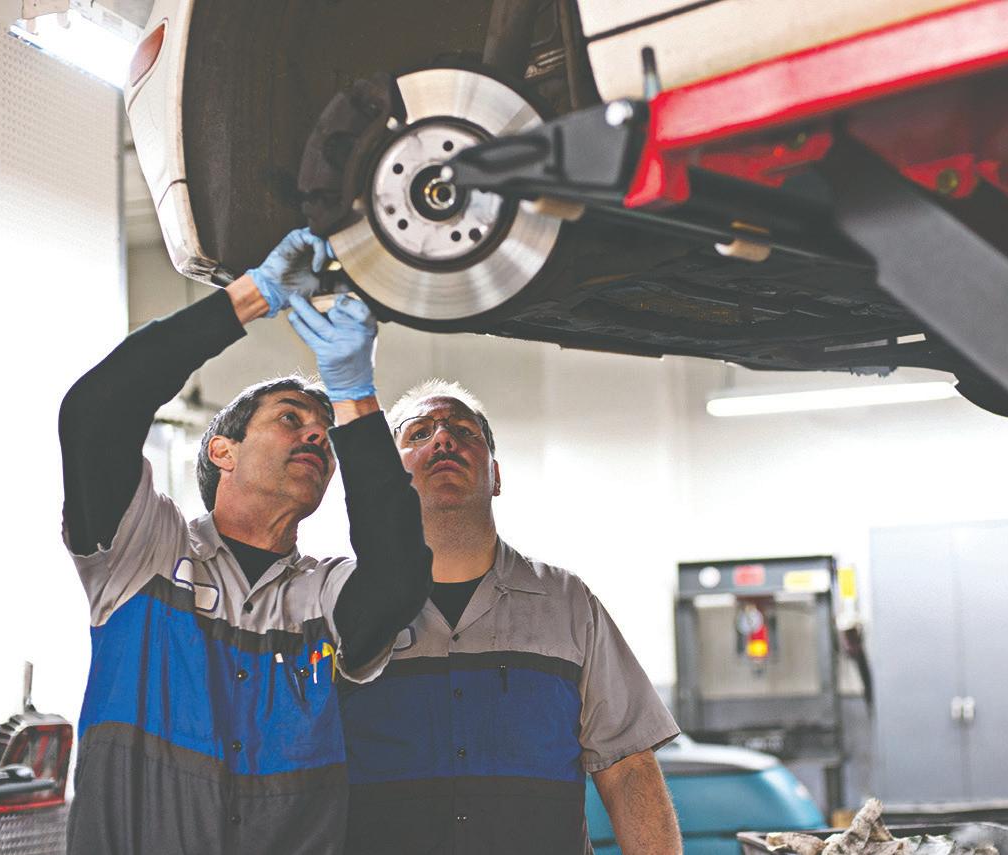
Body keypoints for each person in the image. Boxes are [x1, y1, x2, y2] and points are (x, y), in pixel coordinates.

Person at [58, 229, 433, 854]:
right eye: (290, 418)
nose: (317, 437)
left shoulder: (322, 595)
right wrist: (251, 295)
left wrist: (355, 396)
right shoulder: (142, 552)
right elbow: (95, 412)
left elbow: (398, 577)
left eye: (327, 433)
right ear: (222, 451)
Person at [339, 379, 682, 854]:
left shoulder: (566, 602)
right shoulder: (341, 603)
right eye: (418, 433)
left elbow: (627, 767)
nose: (443, 438)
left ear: (496, 476)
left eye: (464, 431)